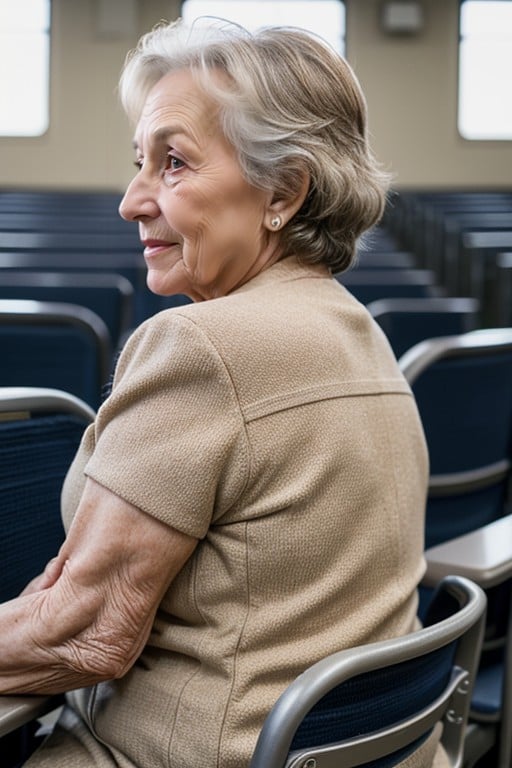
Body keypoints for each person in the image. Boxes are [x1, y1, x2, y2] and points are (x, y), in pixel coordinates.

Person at [0, 17, 435, 768]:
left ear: (284, 191)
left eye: (173, 164)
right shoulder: (361, 333)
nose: (131, 201)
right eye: (138, 162)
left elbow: (83, 633)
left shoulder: (202, 345)